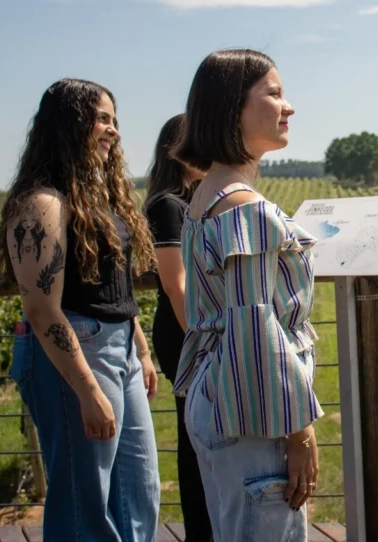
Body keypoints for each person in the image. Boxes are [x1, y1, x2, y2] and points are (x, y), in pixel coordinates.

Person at [0, 78, 161, 542]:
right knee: (82, 503)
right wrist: (88, 389)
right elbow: (41, 308)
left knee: (139, 491)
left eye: (114, 120)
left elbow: (114, 284)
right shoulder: (42, 203)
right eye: (102, 119)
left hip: (119, 350)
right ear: (70, 124)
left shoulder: (100, 197)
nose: (113, 130)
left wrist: (141, 351)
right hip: (74, 355)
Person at [172, 49, 322, 541]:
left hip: (219, 401)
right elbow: (254, 329)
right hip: (254, 415)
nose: (288, 106)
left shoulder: (207, 195)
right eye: (274, 93)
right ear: (232, 107)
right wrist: (299, 431)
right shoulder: (245, 209)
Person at [143, 114, 211, 542]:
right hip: (185, 333)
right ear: (176, 150)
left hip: (194, 331)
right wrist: (203, 344)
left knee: (201, 434)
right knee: (194, 439)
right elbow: (175, 283)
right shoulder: (167, 204)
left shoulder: (192, 200)